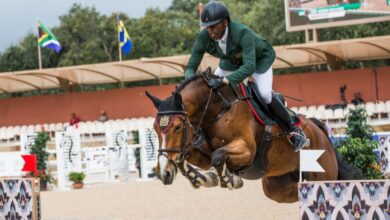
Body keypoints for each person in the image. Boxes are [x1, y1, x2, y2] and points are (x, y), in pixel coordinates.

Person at [184, 1, 309, 151]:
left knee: (264, 94)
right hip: (232, 62)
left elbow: (249, 66)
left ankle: (293, 130)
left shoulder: (242, 32)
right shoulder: (204, 37)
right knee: (210, 92)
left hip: (258, 61)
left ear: (224, 22)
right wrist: (190, 87)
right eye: (207, 27)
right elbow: (191, 67)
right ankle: (204, 135)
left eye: (213, 26)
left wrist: (225, 81)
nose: (209, 31)